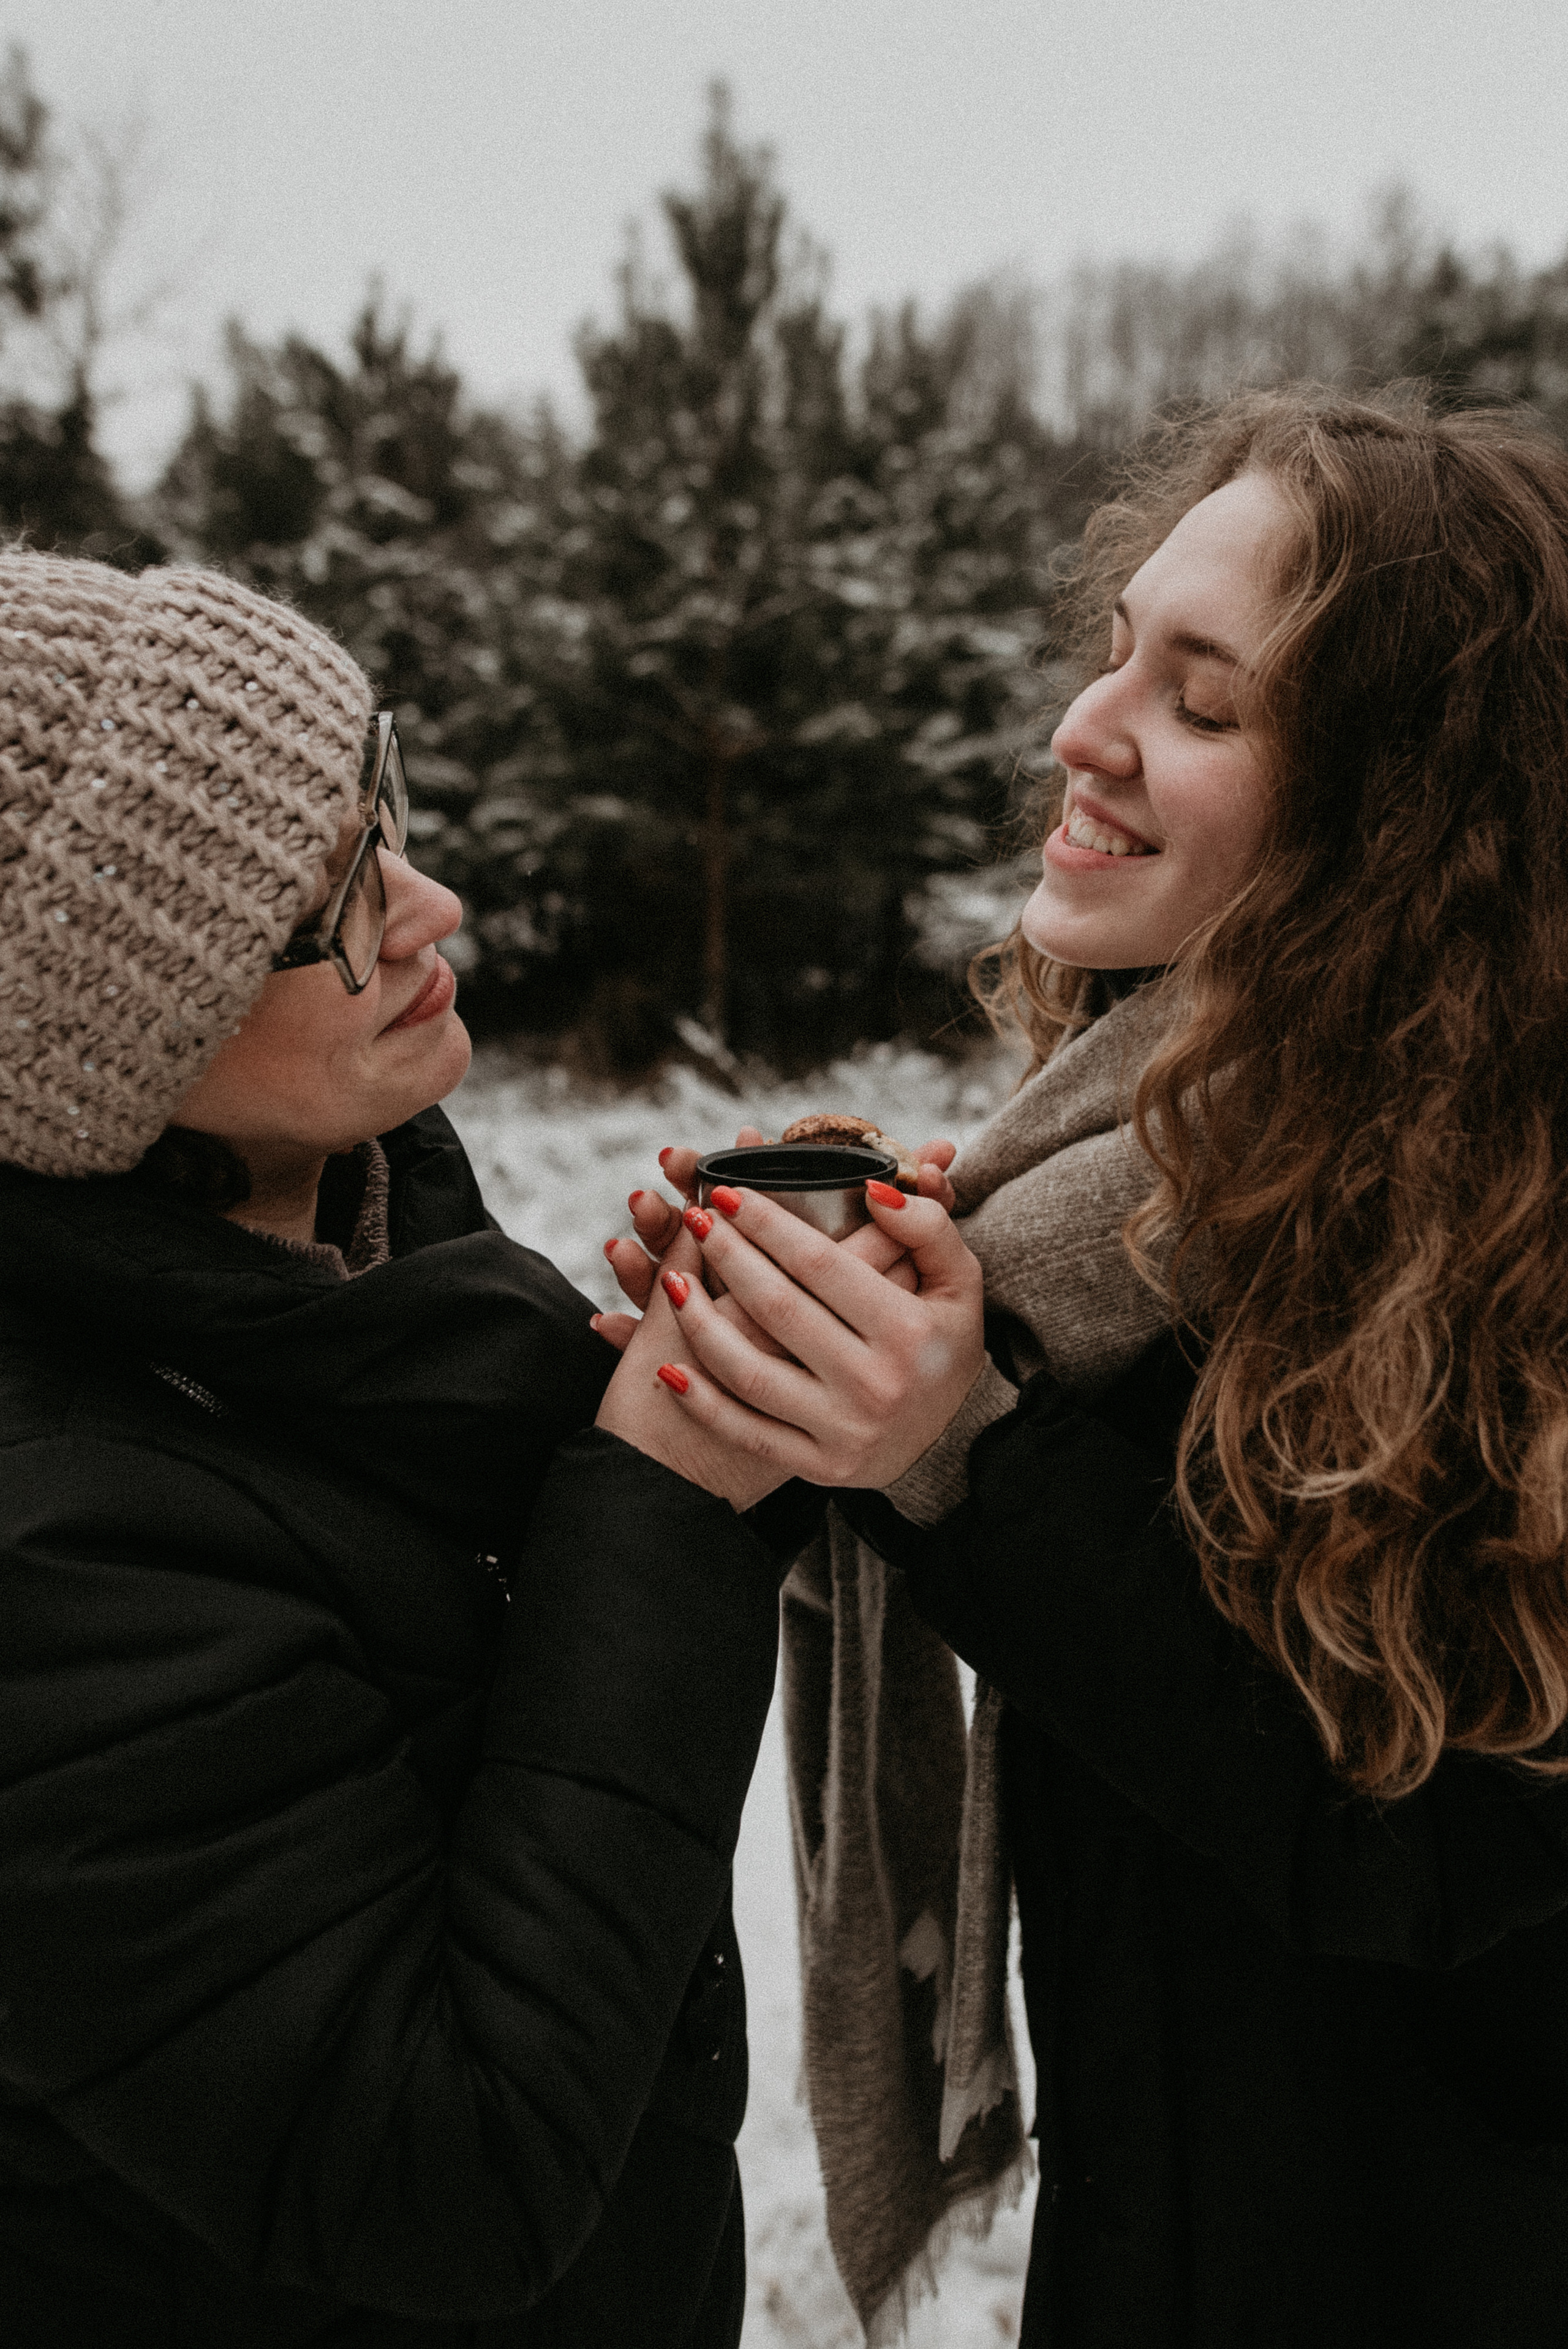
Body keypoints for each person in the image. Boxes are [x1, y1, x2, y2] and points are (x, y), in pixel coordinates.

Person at [612, 388, 1568, 2347]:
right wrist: (822, 1340)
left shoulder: (1516, 1244)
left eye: (1204, 703)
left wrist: (965, 1453)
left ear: (1409, 819)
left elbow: (1432, 1849)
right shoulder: (1136, 1187)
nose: (1083, 727)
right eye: (1118, 647)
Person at [0, 549, 985, 2348]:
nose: (429, 900)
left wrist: (739, 1388)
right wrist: (659, 1498)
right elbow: (440, 2177)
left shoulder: (360, 1245)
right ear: (103, 1044)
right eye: (324, 908)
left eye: (379, 805)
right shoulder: (50, 1547)